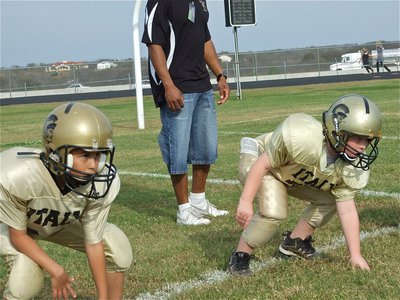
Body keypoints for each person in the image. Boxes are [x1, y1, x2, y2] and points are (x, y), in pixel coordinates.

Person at [227, 94, 382, 276]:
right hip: (259, 160)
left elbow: (347, 209)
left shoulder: (350, 167)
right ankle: (240, 255)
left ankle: (295, 242)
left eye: (367, 140)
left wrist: (355, 255)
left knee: (331, 200)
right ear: (337, 131)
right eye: (358, 138)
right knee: (273, 212)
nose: (363, 146)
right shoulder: (303, 139)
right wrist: (245, 201)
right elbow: (263, 164)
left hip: (290, 173)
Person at [0, 103, 133, 299]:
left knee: (115, 246)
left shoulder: (101, 183)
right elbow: (19, 236)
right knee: (26, 279)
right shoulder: (18, 175)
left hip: (49, 222)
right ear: (56, 153)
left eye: (99, 155)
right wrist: (56, 270)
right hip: (10, 223)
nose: (94, 165)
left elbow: (94, 243)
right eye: (85, 155)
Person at [141, 0, 230, 225]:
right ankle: (184, 210)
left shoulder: (199, 1)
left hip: (201, 85)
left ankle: (198, 200)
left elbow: (205, 40)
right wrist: (168, 85)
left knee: (206, 148)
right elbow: (154, 44)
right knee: (177, 150)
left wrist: (219, 75)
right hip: (177, 85)